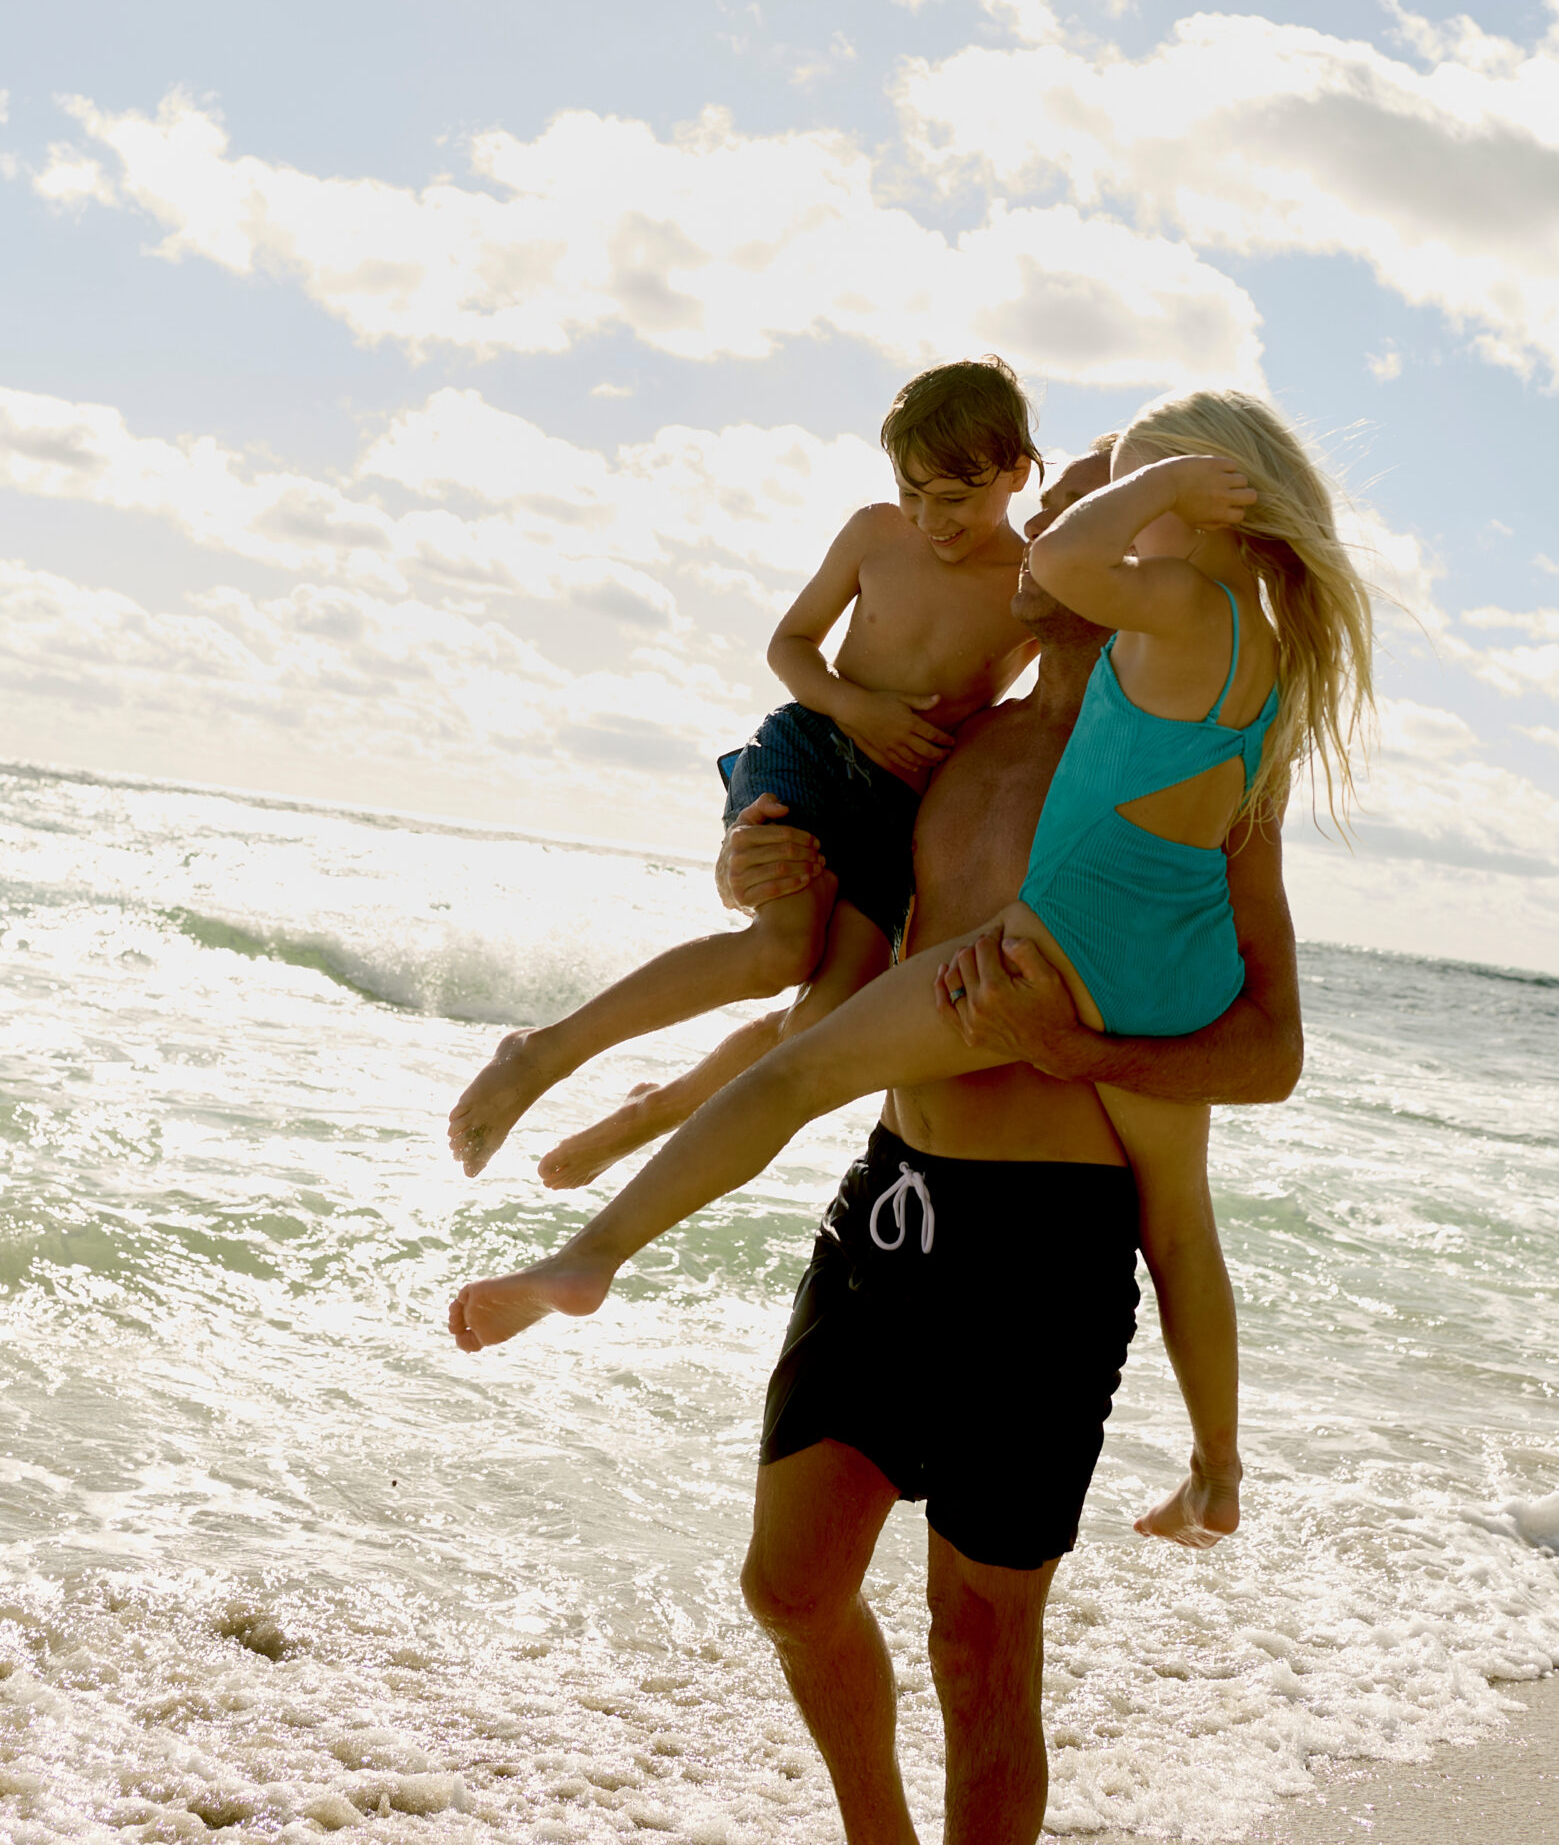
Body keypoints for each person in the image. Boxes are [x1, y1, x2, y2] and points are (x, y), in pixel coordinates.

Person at [442, 423, 1318, 1845]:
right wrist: (751, 848)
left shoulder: (1203, 768)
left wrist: (1081, 1048)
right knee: (787, 1587)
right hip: (889, 1209)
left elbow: (1269, 1047)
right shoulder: (944, 743)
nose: (1039, 539)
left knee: (978, 1651)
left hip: (1049, 1244)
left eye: (1088, 506)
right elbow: (818, 957)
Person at [446, 355, 1042, 1178]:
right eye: (911, 493)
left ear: (1016, 472)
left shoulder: (1032, 586)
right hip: (813, 748)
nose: (929, 519)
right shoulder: (876, 534)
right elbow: (788, 645)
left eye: (955, 500)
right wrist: (853, 703)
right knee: (777, 951)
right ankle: (542, 1052)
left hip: (898, 811)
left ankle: (650, 1113)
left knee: (824, 1020)